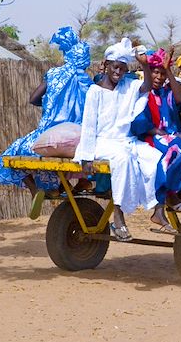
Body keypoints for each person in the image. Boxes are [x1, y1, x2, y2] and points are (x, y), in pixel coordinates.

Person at [73, 37, 172, 241]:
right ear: (106, 65)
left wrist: (144, 64)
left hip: (125, 141)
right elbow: (89, 126)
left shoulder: (128, 86)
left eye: (123, 69)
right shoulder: (95, 91)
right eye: (115, 67)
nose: (118, 72)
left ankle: (156, 208)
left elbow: (146, 85)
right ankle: (118, 217)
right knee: (123, 159)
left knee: (154, 157)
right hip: (103, 142)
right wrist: (86, 157)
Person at [0, 26, 92, 218]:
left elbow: (33, 98)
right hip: (82, 139)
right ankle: (71, 183)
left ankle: (35, 188)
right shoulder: (89, 82)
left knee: (13, 154)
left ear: (66, 54)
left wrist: (47, 102)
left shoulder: (55, 75)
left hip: (51, 133)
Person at [130, 48, 181, 213]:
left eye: (163, 74)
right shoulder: (141, 92)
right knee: (175, 149)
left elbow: (180, 98)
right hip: (150, 136)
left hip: (170, 134)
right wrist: (154, 131)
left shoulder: (166, 92)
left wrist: (168, 69)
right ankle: (169, 193)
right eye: (156, 73)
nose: (159, 78)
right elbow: (137, 121)